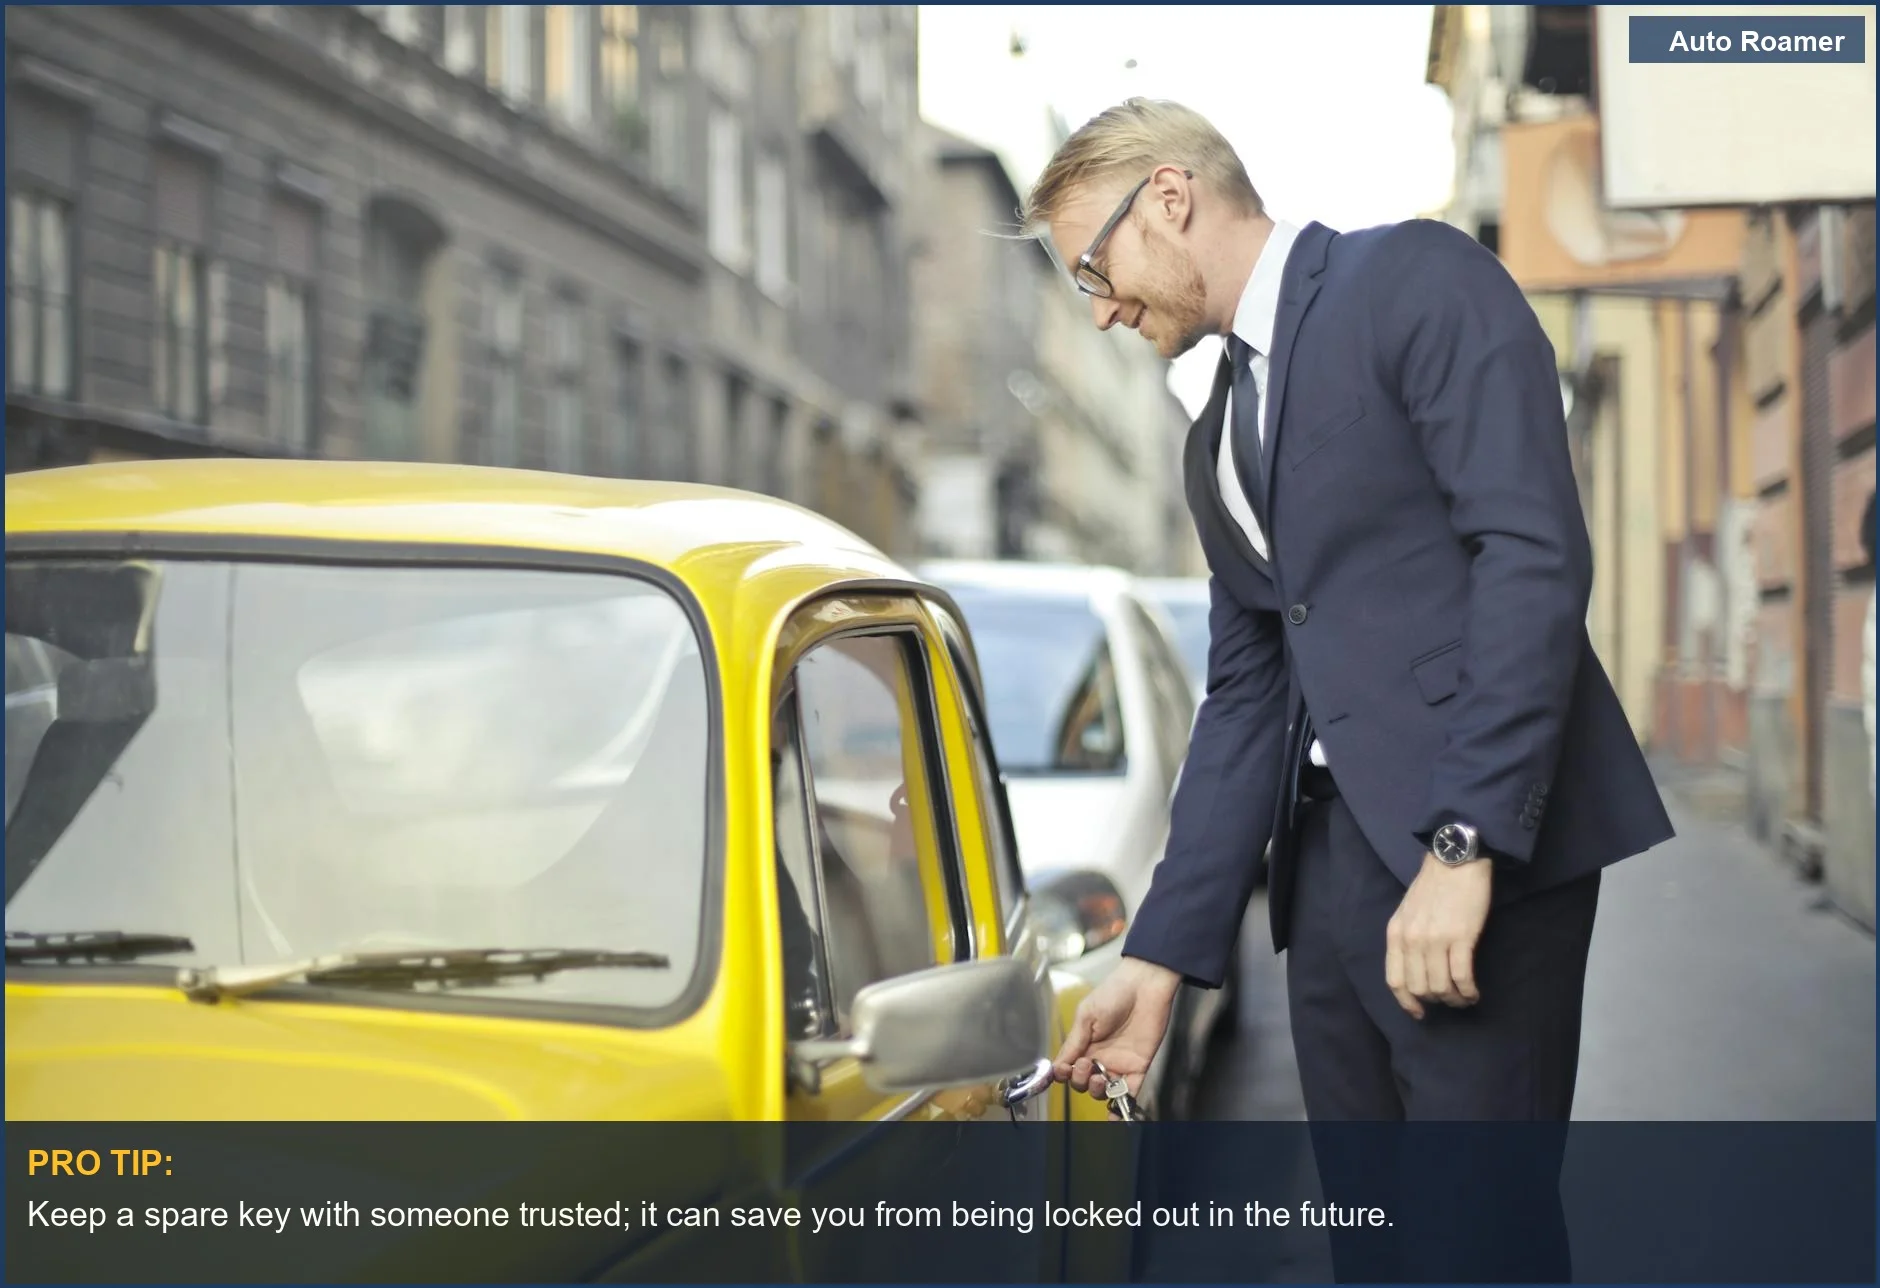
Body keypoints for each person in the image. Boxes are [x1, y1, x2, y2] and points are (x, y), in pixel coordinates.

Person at [1024, 99, 1676, 1279]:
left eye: (1093, 264)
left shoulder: (1415, 280)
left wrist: (1463, 842)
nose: (1102, 305)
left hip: (1471, 868)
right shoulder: (1211, 435)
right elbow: (1242, 699)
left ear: (1168, 198)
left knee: (1481, 1247)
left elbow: (1530, 559)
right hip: (1322, 891)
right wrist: (1159, 956)